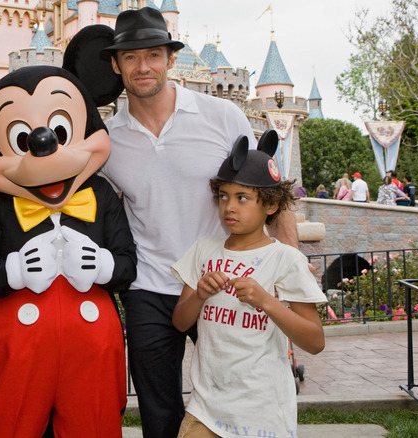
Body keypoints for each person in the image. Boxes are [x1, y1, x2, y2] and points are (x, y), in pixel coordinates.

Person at [99, 7, 299, 437]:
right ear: (116, 65)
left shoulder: (221, 116)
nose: (143, 66)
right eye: (131, 57)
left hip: (223, 280)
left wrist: (289, 275)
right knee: (159, 410)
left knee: (240, 397)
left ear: (171, 60)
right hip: (150, 287)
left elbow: (272, 197)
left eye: (153, 54)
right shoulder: (108, 141)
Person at [171, 145, 326, 438]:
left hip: (263, 414)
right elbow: (180, 322)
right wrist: (200, 295)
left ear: (270, 205)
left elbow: (315, 341)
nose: (229, 207)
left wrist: (266, 301)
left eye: (242, 198)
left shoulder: (285, 259)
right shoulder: (204, 249)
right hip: (205, 410)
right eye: (223, 197)